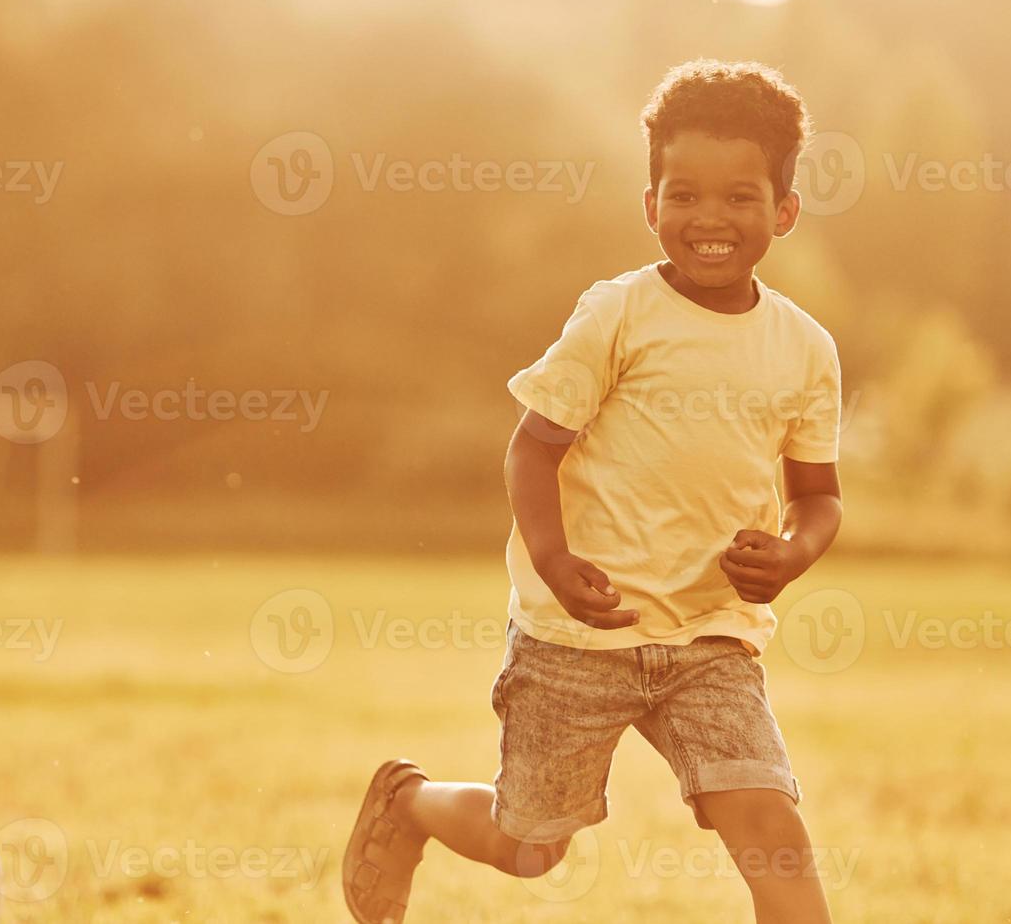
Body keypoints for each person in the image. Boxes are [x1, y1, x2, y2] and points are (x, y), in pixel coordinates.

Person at [342, 58, 844, 924]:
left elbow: (818, 495)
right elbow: (533, 449)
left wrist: (795, 551)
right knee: (527, 848)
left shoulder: (805, 349)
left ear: (784, 211)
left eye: (739, 197)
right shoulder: (617, 316)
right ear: (650, 206)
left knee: (775, 833)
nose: (708, 219)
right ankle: (409, 802)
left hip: (710, 635)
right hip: (577, 634)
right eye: (683, 196)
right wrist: (553, 557)